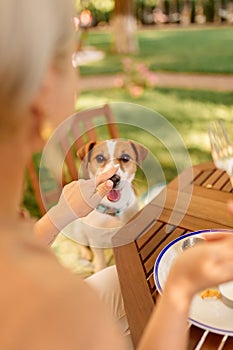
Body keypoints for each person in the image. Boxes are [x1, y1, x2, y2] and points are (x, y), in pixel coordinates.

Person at [1, 1, 233, 349]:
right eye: (72, 57)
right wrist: (181, 288)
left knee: (127, 279)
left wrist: (58, 216)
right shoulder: (53, 306)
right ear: (43, 91)